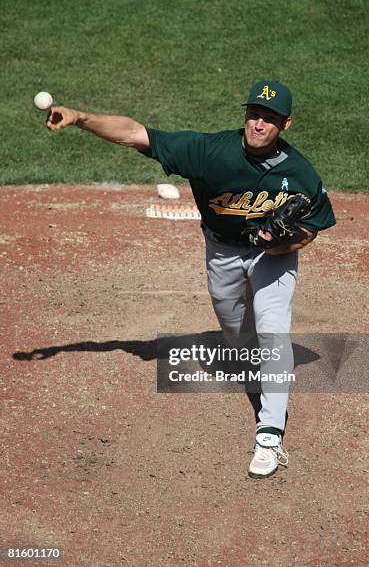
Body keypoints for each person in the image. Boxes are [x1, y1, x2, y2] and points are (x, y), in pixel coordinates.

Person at [46, 80, 336, 479]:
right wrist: (79, 118)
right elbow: (136, 134)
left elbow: (313, 228)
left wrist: (282, 245)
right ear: (245, 115)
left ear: (285, 124)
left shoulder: (300, 172)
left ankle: (269, 434)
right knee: (237, 334)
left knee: (273, 330)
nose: (258, 124)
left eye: (269, 119)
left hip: (272, 260)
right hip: (223, 251)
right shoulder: (209, 153)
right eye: (253, 114)